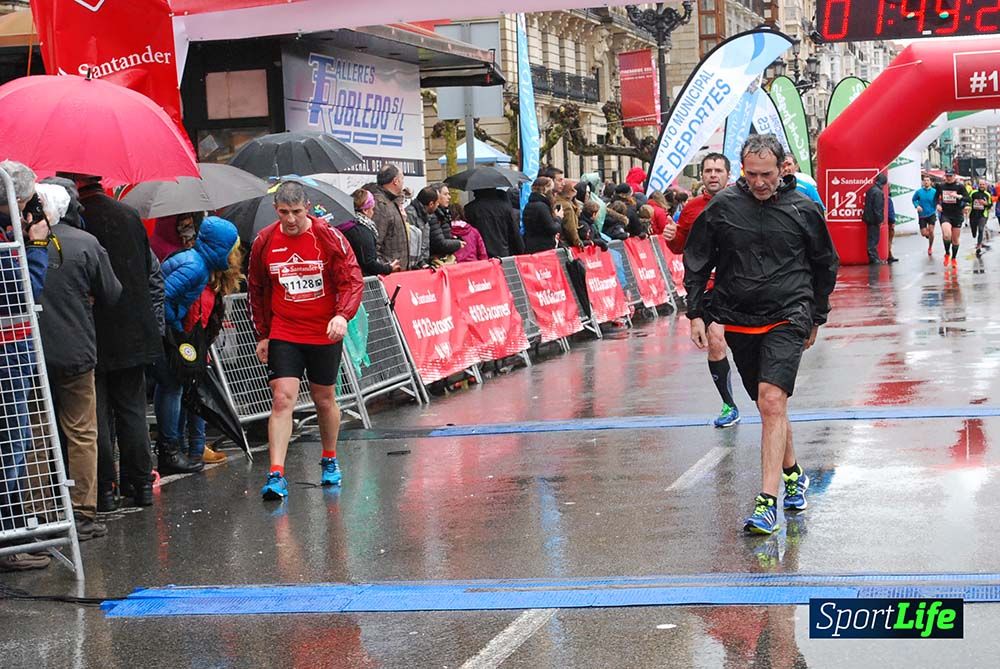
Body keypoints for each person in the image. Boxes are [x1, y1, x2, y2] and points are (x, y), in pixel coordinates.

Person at [684, 134, 838, 534]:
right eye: (751, 174)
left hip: (790, 312)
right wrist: (695, 313)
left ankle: (766, 503)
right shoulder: (723, 207)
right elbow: (698, 260)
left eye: (766, 174)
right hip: (739, 316)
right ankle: (793, 474)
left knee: (771, 399)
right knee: (770, 406)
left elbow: (825, 264)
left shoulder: (803, 208)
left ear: (782, 168)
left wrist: (817, 316)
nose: (759, 182)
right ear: (742, 169)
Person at [248, 182, 363, 501]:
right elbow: (256, 288)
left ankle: (329, 458)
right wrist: (263, 333)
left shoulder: (328, 236)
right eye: (284, 212)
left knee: (323, 399)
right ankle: (276, 474)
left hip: (323, 330)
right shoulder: (265, 240)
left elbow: (351, 279)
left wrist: (342, 315)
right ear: (276, 210)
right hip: (285, 330)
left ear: (307, 208)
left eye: (296, 212)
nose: (290, 219)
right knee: (282, 399)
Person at [63, 172, 167, 517]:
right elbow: (147, 269)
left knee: (96, 415)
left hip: (93, 330)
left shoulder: (78, 222)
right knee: (132, 410)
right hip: (133, 328)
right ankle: (140, 484)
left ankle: (104, 488)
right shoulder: (128, 214)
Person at [34, 180, 123, 516]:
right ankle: (83, 509)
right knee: (82, 431)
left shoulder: (21, 245)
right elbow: (112, 292)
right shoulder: (86, 243)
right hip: (76, 348)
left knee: (37, 433)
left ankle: (38, 511)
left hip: (34, 352)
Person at [154, 217, 241, 471]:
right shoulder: (196, 267)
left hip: (168, 330)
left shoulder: (194, 262)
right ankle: (170, 450)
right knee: (172, 387)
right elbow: (162, 297)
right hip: (170, 331)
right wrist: (177, 326)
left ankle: (175, 447)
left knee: (173, 387)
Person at [663, 153, 742, 429]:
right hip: (710, 287)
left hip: (743, 286)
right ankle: (729, 404)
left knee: (746, 347)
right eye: (708, 170)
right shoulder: (692, 208)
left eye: (718, 170)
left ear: (728, 175)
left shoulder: (742, 201)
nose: (713, 175)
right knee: (716, 341)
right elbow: (681, 247)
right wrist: (672, 238)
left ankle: (765, 397)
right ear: (702, 176)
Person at [0, 161, 52, 571]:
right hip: (9, 355)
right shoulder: (7, 242)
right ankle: (8, 537)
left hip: (14, 353)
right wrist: (36, 247)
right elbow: (23, 291)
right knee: (13, 443)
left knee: (17, 441)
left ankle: (15, 530)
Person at [337, 189, 399, 277]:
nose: (373, 212)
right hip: (358, 278)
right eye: (372, 209)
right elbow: (368, 263)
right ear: (365, 210)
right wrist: (388, 268)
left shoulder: (345, 224)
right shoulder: (361, 231)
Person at [364, 164, 410, 271]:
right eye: (402, 178)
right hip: (389, 273)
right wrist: (386, 267)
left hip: (398, 271)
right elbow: (375, 243)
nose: (403, 182)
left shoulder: (391, 201)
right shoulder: (381, 205)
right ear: (395, 181)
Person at [465, 188, 524, 258]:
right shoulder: (505, 207)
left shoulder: (470, 209)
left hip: (480, 254)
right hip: (502, 253)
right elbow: (514, 233)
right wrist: (521, 250)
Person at [935, 168, 971, 269]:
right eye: (947, 176)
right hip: (945, 214)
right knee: (947, 235)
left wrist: (959, 196)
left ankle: (954, 258)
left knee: (955, 240)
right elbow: (935, 198)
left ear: (954, 176)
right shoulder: (941, 186)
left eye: (950, 176)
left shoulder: (960, 186)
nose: (949, 178)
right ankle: (947, 253)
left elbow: (968, 199)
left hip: (957, 214)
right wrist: (937, 205)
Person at [523, 177, 564, 253]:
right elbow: (552, 228)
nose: (553, 194)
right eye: (551, 190)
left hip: (530, 246)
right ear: (545, 189)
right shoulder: (542, 207)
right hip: (543, 248)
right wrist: (558, 217)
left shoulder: (528, 205)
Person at [427, 183, 463, 263]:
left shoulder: (443, 213)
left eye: (448, 194)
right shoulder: (434, 216)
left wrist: (454, 239)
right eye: (445, 194)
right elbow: (438, 243)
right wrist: (457, 243)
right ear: (437, 196)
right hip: (436, 259)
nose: (449, 197)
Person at [405, 185, 437, 268]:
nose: (437, 206)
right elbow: (411, 243)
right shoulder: (410, 214)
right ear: (431, 204)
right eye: (437, 203)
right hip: (414, 265)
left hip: (423, 263)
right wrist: (420, 263)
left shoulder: (425, 215)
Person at [862, 172, 887, 265]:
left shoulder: (871, 190)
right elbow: (878, 208)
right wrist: (880, 220)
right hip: (874, 219)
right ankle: (874, 258)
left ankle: (873, 257)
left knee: (871, 238)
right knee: (874, 239)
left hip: (868, 217)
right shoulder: (878, 192)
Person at [912, 175, 938, 256]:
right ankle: (929, 235)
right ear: (923, 182)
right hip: (922, 215)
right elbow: (914, 199)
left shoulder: (934, 191)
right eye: (925, 180)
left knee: (931, 231)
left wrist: (938, 205)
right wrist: (917, 206)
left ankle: (930, 247)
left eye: (928, 180)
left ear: (930, 182)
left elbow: (938, 200)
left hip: (931, 213)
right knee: (924, 233)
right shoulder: (919, 192)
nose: (926, 182)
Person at [555, 180, 584, 249]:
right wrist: (577, 241)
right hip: (566, 242)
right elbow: (570, 227)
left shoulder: (556, 201)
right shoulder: (567, 206)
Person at [969, 178, 993, 257]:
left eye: (983, 184)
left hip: (983, 215)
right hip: (973, 215)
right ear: (978, 185)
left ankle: (979, 245)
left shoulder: (987, 194)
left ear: (985, 185)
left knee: (981, 229)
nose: (982, 186)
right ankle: (974, 233)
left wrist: (985, 204)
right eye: (980, 184)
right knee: (974, 232)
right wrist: (966, 206)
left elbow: (990, 205)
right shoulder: (973, 192)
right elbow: (968, 200)